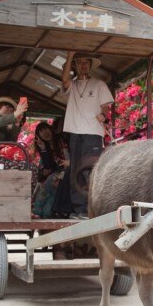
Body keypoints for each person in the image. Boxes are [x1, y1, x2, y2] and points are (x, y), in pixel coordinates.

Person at [61, 52, 114, 220]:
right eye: (79, 63)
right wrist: (69, 57)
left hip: (93, 133)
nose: (83, 65)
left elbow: (105, 106)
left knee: (89, 172)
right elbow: (64, 81)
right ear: (75, 66)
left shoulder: (99, 84)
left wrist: (103, 116)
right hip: (75, 133)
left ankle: (92, 209)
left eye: (86, 63)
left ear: (90, 65)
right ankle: (79, 211)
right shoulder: (73, 84)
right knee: (75, 171)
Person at [0, 96, 38, 193]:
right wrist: (14, 115)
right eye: (7, 107)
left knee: (31, 167)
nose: (9, 110)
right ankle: (26, 199)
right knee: (29, 167)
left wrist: (16, 123)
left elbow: (11, 140)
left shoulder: (4, 123)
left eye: (11, 109)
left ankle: (26, 198)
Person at [32, 122, 71, 219]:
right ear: (39, 136)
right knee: (50, 187)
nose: (45, 133)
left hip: (70, 169)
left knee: (49, 186)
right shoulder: (46, 147)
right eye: (41, 132)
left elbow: (69, 157)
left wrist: (69, 165)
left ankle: (38, 212)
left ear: (50, 129)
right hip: (58, 172)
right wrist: (43, 148)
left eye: (46, 129)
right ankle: (42, 214)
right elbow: (48, 166)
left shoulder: (61, 140)